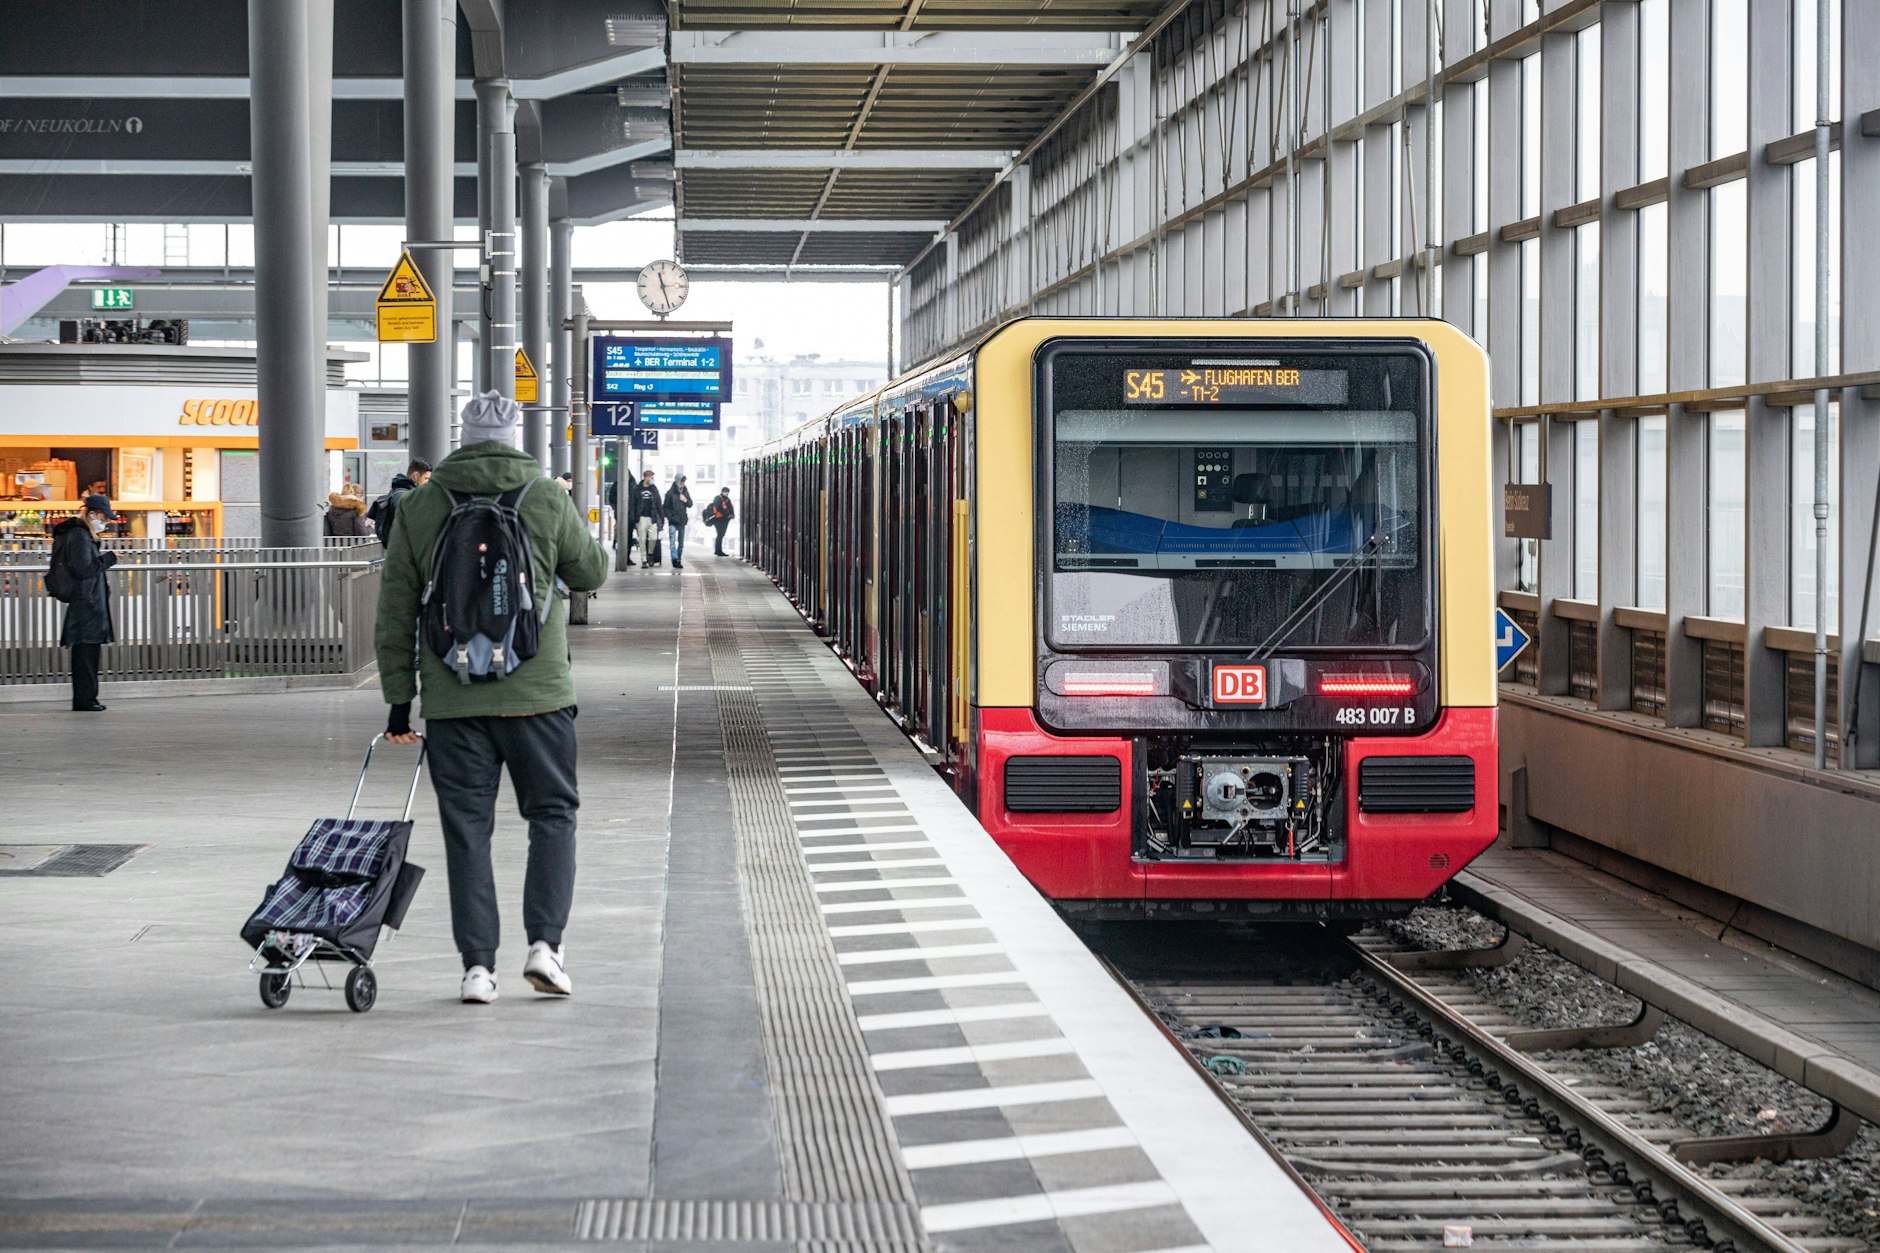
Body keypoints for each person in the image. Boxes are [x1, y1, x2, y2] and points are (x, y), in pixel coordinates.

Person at [374, 393, 609, 1005]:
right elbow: (592, 573)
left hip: (453, 700)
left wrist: (400, 700)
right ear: (512, 436)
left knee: (467, 833)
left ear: (464, 437)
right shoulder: (546, 496)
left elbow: (396, 608)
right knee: (552, 818)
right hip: (539, 696)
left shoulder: (422, 505)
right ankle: (545, 949)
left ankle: (478, 969)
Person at [48, 495, 119, 712]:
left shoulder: (84, 536)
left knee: (89, 652)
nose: (105, 522)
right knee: (85, 654)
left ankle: (89, 697)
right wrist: (110, 558)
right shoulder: (79, 536)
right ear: (91, 514)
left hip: (89, 602)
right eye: (103, 517)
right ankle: (85, 699)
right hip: (85, 603)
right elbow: (83, 569)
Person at [367, 457, 432, 542]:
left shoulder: (400, 493)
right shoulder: (405, 496)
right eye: (426, 478)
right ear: (415, 476)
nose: (428, 482)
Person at [627, 468, 662, 568]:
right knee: (642, 539)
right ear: (646, 477)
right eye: (651, 477)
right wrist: (634, 518)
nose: (652, 479)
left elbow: (658, 503)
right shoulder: (637, 489)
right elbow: (633, 504)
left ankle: (650, 554)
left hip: (652, 517)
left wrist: (661, 517)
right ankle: (644, 559)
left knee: (653, 538)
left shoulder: (654, 489)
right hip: (641, 517)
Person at [663, 473, 693, 570]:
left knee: (681, 544)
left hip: (682, 521)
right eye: (681, 481)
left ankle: (678, 559)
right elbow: (665, 507)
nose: (682, 483)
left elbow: (690, 504)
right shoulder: (670, 493)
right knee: (672, 542)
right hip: (673, 521)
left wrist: (685, 500)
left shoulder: (685, 492)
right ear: (677, 481)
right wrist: (670, 517)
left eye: (684, 482)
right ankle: (674, 559)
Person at [704, 487, 736, 556]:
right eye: (725, 491)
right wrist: (727, 514)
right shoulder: (718, 498)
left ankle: (718, 550)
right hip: (718, 519)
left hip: (724, 519)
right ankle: (718, 550)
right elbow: (719, 507)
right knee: (720, 534)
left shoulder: (727, 499)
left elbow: (730, 507)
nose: (726, 493)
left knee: (721, 534)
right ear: (722, 491)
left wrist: (732, 515)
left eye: (727, 492)